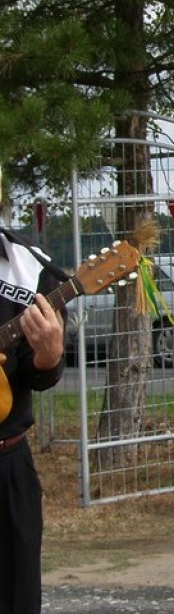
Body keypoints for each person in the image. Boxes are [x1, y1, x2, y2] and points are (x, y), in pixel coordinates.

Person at [0, 217, 67, 614]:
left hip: (6, 463)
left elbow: (36, 373)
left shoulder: (30, 267)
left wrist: (49, 356)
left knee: (15, 598)